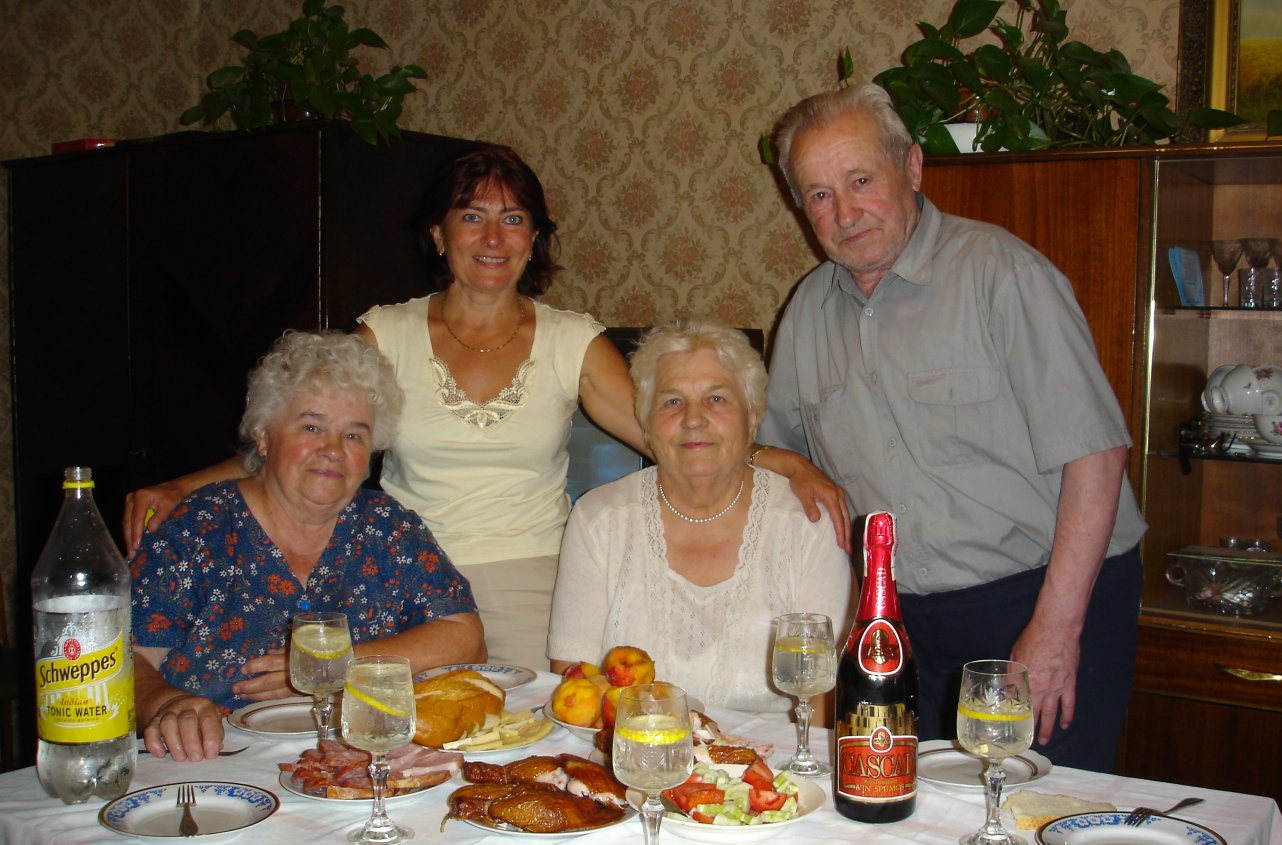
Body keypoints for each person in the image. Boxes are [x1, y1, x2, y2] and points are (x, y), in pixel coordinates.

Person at [123, 144, 849, 671]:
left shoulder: (571, 341)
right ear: (438, 234)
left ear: (535, 239)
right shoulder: (389, 332)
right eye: (472, 217)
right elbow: (303, 435)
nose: (493, 239)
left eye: (514, 220)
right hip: (397, 583)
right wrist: (185, 485)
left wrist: (787, 464)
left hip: (530, 580)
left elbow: (680, 436)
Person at [758, 82, 1147, 771]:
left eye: (860, 180)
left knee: (1036, 816)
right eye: (819, 194)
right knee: (919, 820)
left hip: (1038, 593)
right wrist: (796, 466)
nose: (845, 213)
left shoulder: (1003, 275)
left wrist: (1055, 629)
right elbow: (774, 448)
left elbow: (1098, 454)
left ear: (911, 167)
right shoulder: (808, 312)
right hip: (903, 617)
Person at [131, 331, 485, 762]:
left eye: (354, 436)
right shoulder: (197, 527)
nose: (333, 450)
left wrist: (332, 666)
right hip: (210, 766)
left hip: (359, 763)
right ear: (263, 437)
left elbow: (464, 636)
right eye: (312, 426)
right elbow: (123, 657)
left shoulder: (386, 526)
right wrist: (164, 703)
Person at [548, 320, 852, 713]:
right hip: (634, 764)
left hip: (776, 770)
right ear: (646, 422)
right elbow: (574, 690)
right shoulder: (599, 520)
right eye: (672, 401)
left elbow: (826, 702)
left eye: (717, 399)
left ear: (753, 418)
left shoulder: (806, 523)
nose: (693, 418)